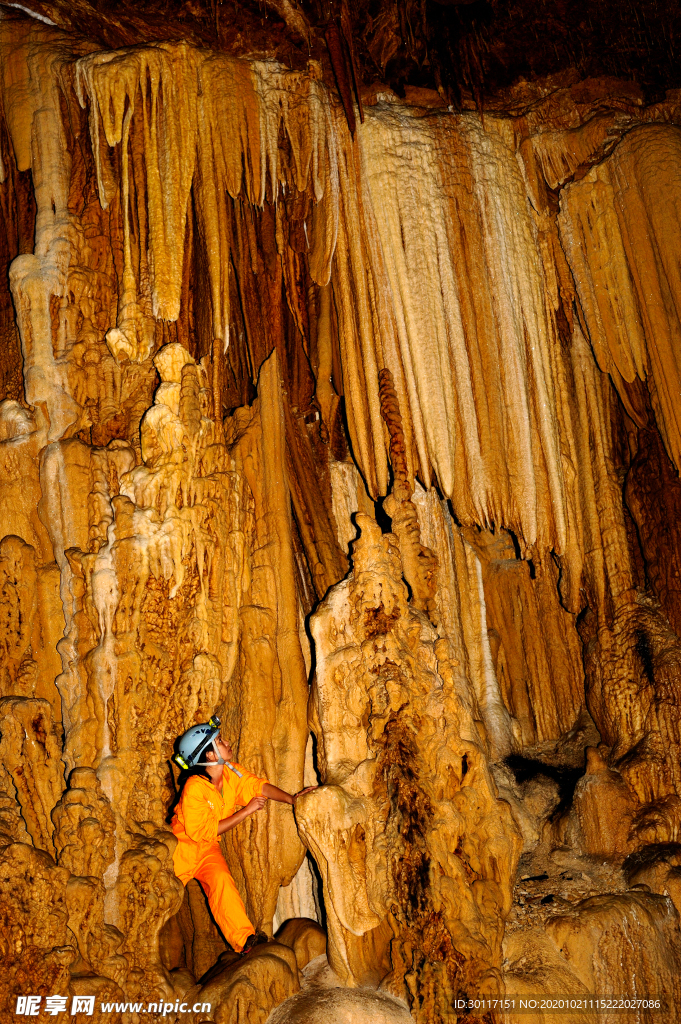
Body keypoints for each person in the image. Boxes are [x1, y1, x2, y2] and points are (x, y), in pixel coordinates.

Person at [169, 714, 314, 954]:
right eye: (221, 741)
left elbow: (257, 786)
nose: (227, 743)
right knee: (161, 896)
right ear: (210, 755)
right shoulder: (194, 787)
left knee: (223, 883)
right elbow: (202, 830)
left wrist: (292, 799)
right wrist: (245, 812)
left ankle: (245, 941)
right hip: (181, 848)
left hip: (207, 848)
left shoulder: (229, 774)